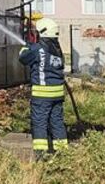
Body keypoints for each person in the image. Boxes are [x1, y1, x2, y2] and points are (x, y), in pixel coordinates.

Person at [18, 17, 68, 157]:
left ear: (43, 33)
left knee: (39, 123)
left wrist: (28, 44)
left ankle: (40, 155)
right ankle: (62, 154)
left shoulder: (37, 49)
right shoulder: (58, 50)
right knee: (57, 123)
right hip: (57, 94)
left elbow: (22, 57)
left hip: (42, 95)